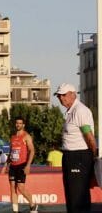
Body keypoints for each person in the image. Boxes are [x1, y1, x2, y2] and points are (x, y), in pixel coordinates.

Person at [54, 83, 97, 213]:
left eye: (64, 95)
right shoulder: (70, 112)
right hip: (70, 156)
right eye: (59, 96)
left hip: (79, 156)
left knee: (78, 198)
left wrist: (93, 157)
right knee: (72, 196)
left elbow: (89, 137)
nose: (61, 98)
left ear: (73, 94)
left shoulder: (80, 111)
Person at [1, 116, 38, 213]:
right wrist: (5, 165)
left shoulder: (26, 136)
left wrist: (28, 165)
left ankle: (33, 205)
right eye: (17, 123)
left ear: (23, 125)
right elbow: (11, 152)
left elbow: (32, 150)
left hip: (22, 165)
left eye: (20, 123)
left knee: (21, 188)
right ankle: (15, 210)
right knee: (12, 188)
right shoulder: (13, 137)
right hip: (13, 166)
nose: (18, 125)